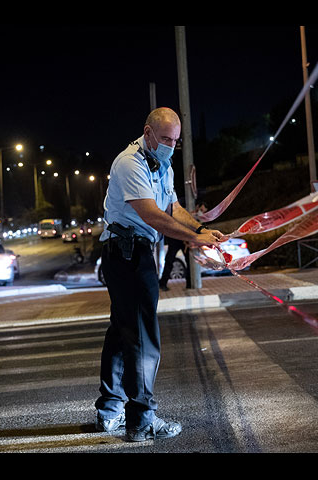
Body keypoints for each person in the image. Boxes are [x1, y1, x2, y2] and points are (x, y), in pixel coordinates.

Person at [94, 107, 227, 442]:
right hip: (126, 253)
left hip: (133, 251)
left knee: (122, 332)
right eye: (166, 138)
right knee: (142, 337)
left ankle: (109, 411)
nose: (171, 145)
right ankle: (141, 420)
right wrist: (194, 239)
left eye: (176, 141)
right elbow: (151, 214)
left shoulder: (162, 164)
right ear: (148, 132)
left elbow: (172, 208)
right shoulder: (130, 162)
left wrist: (200, 229)